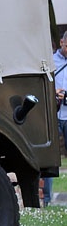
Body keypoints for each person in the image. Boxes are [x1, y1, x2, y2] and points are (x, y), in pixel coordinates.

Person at [51, 30, 67, 207]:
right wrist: (53, 92)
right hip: (53, 114)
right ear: (62, 42)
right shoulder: (51, 61)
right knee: (50, 160)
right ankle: (46, 198)